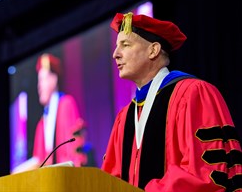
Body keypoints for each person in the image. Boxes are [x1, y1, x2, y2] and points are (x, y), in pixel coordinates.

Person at [101, 12, 242, 192]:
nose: (115, 54)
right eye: (116, 46)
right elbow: (111, 179)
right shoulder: (125, 116)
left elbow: (203, 172)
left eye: (125, 45)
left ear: (153, 50)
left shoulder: (193, 94)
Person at [12, 53, 87, 173]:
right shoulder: (42, 123)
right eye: (39, 81)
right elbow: (40, 160)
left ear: (54, 79)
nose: (39, 86)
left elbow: (74, 151)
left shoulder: (66, 104)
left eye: (43, 79)